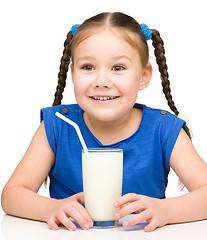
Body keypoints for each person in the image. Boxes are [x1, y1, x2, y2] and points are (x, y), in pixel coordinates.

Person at [1, 12, 207, 233]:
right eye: (88, 67)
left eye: (118, 68)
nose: (101, 81)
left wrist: (167, 210)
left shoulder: (164, 129)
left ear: (144, 76)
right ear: (72, 73)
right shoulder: (57, 126)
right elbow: (12, 194)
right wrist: (49, 207)